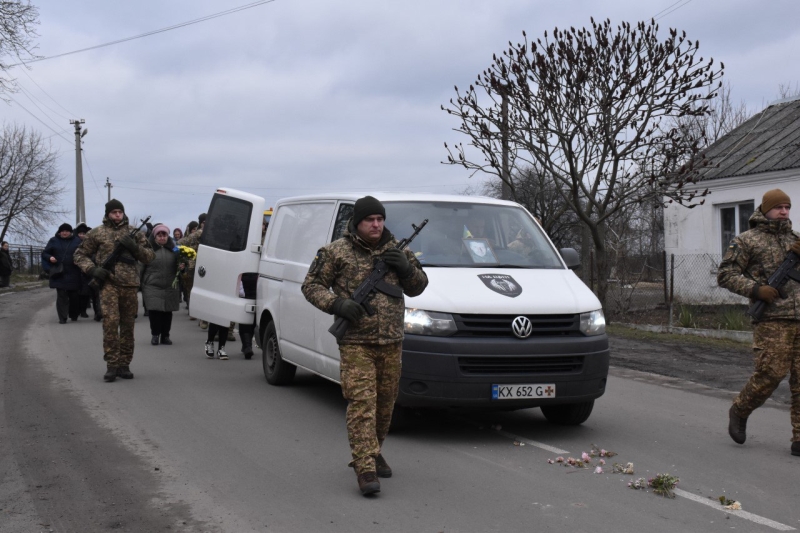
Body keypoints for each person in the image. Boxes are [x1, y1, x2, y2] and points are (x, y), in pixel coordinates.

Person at [301, 196, 428, 496]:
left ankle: (373, 449)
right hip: (356, 342)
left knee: (384, 407)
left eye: (380, 219)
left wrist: (407, 270)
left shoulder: (399, 250)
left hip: (391, 341)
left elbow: (420, 286)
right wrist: (338, 303)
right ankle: (365, 467)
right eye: (370, 219)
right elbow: (311, 285)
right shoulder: (336, 252)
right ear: (357, 222)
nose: (376, 224)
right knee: (362, 405)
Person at [718, 189, 800, 456]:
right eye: (779, 207)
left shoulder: (796, 240)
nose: (784, 211)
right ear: (765, 210)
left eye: (787, 207)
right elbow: (726, 275)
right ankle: (740, 409)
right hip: (772, 319)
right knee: (771, 375)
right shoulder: (747, 241)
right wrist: (756, 290)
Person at [74, 199, 155, 382]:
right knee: (110, 325)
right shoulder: (97, 233)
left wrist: (134, 247)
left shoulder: (134, 233)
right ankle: (111, 365)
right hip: (108, 284)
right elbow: (79, 254)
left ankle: (124, 365)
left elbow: (149, 256)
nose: (117, 215)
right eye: (114, 212)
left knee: (127, 326)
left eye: (120, 212)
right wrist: (93, 269)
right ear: (108, 214)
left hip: (129, 285)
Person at [141, 224, 182, 346]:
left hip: (170, 285)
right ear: (155, 236)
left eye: (164, 235)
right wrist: (137, 282)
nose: (162, 237)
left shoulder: (175, 250)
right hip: (152, 285)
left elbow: (181, 266)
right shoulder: (148, 250)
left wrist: (182, 267)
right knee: (154, 312)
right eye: (159, 235)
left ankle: (165, 336)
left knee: (167, 313)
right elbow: (140, 266)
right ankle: (155, 335)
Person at [42, 223, 83, 324]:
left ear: (71, 232)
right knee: (61, 296)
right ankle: (62, 317)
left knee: (74, 295)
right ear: (59, 232)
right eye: (63, 231)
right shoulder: (53, 241)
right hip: (59, 272)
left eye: (67, 231)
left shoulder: (77, 241)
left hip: (74, 272)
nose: (64, 233)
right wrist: (49, 258)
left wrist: (79, 260)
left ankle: (73, 314)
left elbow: (84, 252)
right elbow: (45, 253)